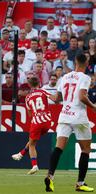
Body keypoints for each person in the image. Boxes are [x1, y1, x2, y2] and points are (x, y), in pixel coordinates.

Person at [44, 54, 96, 192]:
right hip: (78, 116)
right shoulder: (85, 78)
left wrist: (43, 93)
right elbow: (82, 96)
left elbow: (56, 99)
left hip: (64, 116)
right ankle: (80, 183)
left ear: (75, 62)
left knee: (59, 147)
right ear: (86, 63)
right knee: (85, 149)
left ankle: (50, 176)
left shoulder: (65, 77)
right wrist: (93, 107)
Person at [11, 77, 55, 175]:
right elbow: (55, 99)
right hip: (47, 122)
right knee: (32, 141)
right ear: (39, 83)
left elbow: (30, 114)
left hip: (36, 121)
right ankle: (21, 154)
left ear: (29, 85)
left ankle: (34, 165)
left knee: (32, 144)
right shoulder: (43, 91)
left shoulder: (27, 97)